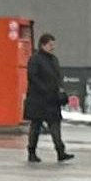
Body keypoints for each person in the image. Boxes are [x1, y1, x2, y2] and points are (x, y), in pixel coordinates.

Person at [23, 35, 68, 164]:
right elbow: (33, 77)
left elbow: (58, 78)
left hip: (52, 99)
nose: (53, 47)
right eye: (50, 45)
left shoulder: (54, 60)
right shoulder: (35, 59)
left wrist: (61, 90)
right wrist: (45, 89)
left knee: (55, 125)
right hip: (38, 99)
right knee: (36, 126)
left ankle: (61, 151)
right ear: (43, 45)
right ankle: (32, 152)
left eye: (53, 45)